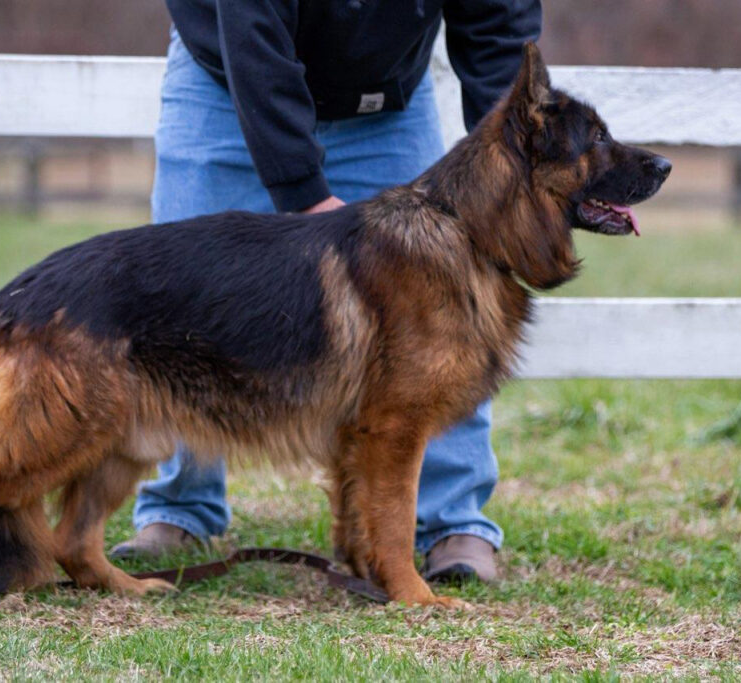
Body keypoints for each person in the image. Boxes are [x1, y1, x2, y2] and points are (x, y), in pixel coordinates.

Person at [112, 0, 542, 584]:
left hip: (386, 97)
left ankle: (452, 523)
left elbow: (499, 17)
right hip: (231, 77)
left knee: (441, 314)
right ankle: (179, 507)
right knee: (183, 299)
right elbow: (252, 28)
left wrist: (512, 149)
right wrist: (303, 189)